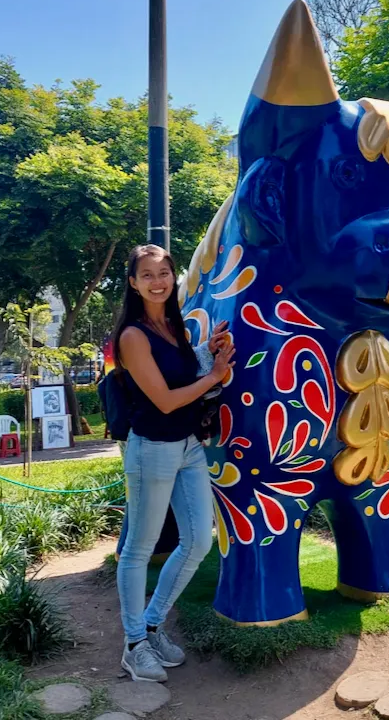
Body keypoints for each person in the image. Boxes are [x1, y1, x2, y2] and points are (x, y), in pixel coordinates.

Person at [114, 244, 235, 683]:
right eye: (147, 275)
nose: (158, 281)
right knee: (138, 551)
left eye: (164, 272)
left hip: (188, 447)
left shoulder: (171, 325)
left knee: (199, 541)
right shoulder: (132, 335)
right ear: (133, 283)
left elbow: (184, 375)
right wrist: (213, 377)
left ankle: (151, 624)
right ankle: (133, 645)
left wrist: (210, 353)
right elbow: (164, 399)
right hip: (153, 450)